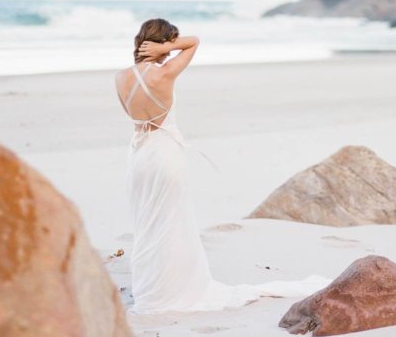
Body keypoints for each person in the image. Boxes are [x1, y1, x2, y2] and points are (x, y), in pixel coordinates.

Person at [115, 18, 324, 314]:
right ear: (163, 42)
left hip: (139, 155)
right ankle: (174, 288)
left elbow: (132, 116)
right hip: (165, 153)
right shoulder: (167, 73)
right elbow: (195, 41)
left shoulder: (120, 78)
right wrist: (170, 46)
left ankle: (152, 288)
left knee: (147, 222)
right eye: (168, 44)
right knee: (172, 221)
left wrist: (160, 47)